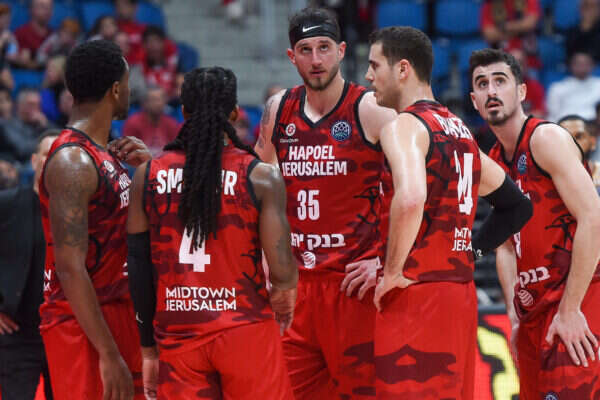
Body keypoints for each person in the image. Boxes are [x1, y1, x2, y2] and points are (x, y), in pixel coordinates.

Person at [364, 27, 532, 399]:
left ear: (402, 69)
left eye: (375, 65)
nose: (368, 75)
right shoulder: (460, 131)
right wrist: (471, 251)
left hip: (414, 291)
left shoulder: (404, 125)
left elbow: (411, 198)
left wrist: (390, 272)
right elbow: (517, 204)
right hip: (459, 293)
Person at [127, 66, 297, 399]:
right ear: (235, 113)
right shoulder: (261, 176)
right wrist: (285, 294)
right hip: (244, 329)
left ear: (183, 112)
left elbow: (138, 268)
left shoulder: (147, 175)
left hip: (179, 333)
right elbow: (281, 271)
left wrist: (147, 348)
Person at [255, 7, 398, 399]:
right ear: (292, 56)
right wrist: (266, 260)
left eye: (324, 48)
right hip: (296, 288)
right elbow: (256, 191)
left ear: (341, 51)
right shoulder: (277, 110)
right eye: (306, 49)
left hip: (353, 287)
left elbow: (418, 186)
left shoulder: (371, 109)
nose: (316, 59)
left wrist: (386, 260)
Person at [469, 48, 600, 400]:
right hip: (533, 313)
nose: (491, 90)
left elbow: (593, 217)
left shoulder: (545, 138)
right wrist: (514, 317)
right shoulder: (492, 161)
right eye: (482, 84)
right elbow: (505, 247)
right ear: (474, 101)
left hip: (578, 299)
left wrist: (571, 309)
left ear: (522, 91)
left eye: (500, 81)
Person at [39, 40, 151, 400]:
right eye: (128, 83)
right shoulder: (72, 161)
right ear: (116, 89)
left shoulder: (105, 153)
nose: (130, 92)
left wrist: (149, 170)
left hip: (116, 312)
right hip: (83, 325)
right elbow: (70, 268)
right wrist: (108, 352)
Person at [0, 130, 58, 400]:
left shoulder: (80, 212)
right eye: (47, 154)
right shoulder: (7, 204)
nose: (52, 161)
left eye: (59, 155)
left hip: (63, 330)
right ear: (34, 161)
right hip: (18, 331)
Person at [122, 85, 179, 157]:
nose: (158, 103)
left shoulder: (171, 123)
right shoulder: (133, 123)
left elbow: (176, 151)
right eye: (154, 100)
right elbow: (127, 152)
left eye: (161, 99)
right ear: (144, 103)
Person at [546, 51, 600, 122]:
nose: (582, 67)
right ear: (570, 66)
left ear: (593, 65)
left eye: (586, 63)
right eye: (578, 64)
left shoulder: (598, 84)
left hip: (594, 125)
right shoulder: (557, 87)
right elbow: (553, 114)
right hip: (566, 124)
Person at [558, 114, 600, 192]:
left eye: (579, 137)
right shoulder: (549, 180)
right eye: (565, 137)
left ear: (593, 142)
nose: (572, 142)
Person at [14, 0, 53, 69]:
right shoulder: (21, 34)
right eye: (42, 6)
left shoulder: (54, 35)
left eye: (49, 7)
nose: (47, 10)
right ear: (31, 9)